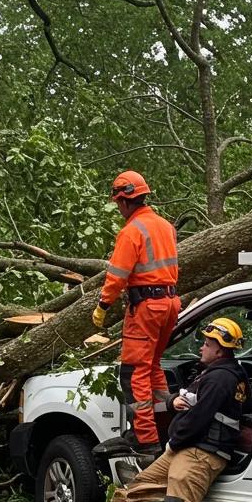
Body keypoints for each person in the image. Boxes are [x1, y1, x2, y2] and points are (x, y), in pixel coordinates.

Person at [107, 317, 249, 502]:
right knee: (128, 494)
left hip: (201, 452)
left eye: (207, 344)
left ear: (220, 350)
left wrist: (173, 438)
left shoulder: (222, 378)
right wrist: (173, 402)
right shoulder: (216, 373)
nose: (201, 348)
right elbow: (190, 401)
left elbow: (197, 420)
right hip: (187, 449)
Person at [92, 170, 180, 456]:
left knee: (133, 374)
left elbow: (117, 274)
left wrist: (103, 305)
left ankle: (144, 438)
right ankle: (165, 426)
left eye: (118, 203)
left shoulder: (132, 231)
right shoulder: (165, 226)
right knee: (153, 367)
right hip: (169, 303)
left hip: (147, 307)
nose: (118, 209)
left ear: (125, 200)